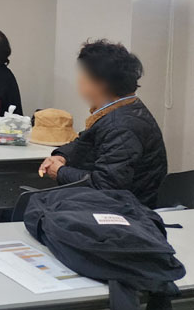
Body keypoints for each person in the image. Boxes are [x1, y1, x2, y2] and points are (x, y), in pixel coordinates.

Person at [38, 40, 167, 207]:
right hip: (116, 204)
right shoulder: (124, 108)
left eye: (83, 74)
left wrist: (60, 172)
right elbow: (85, 141)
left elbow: (106, 186)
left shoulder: (120, 126)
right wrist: (62, 156)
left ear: (100, 83)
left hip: (125, 211)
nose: (79, 80)